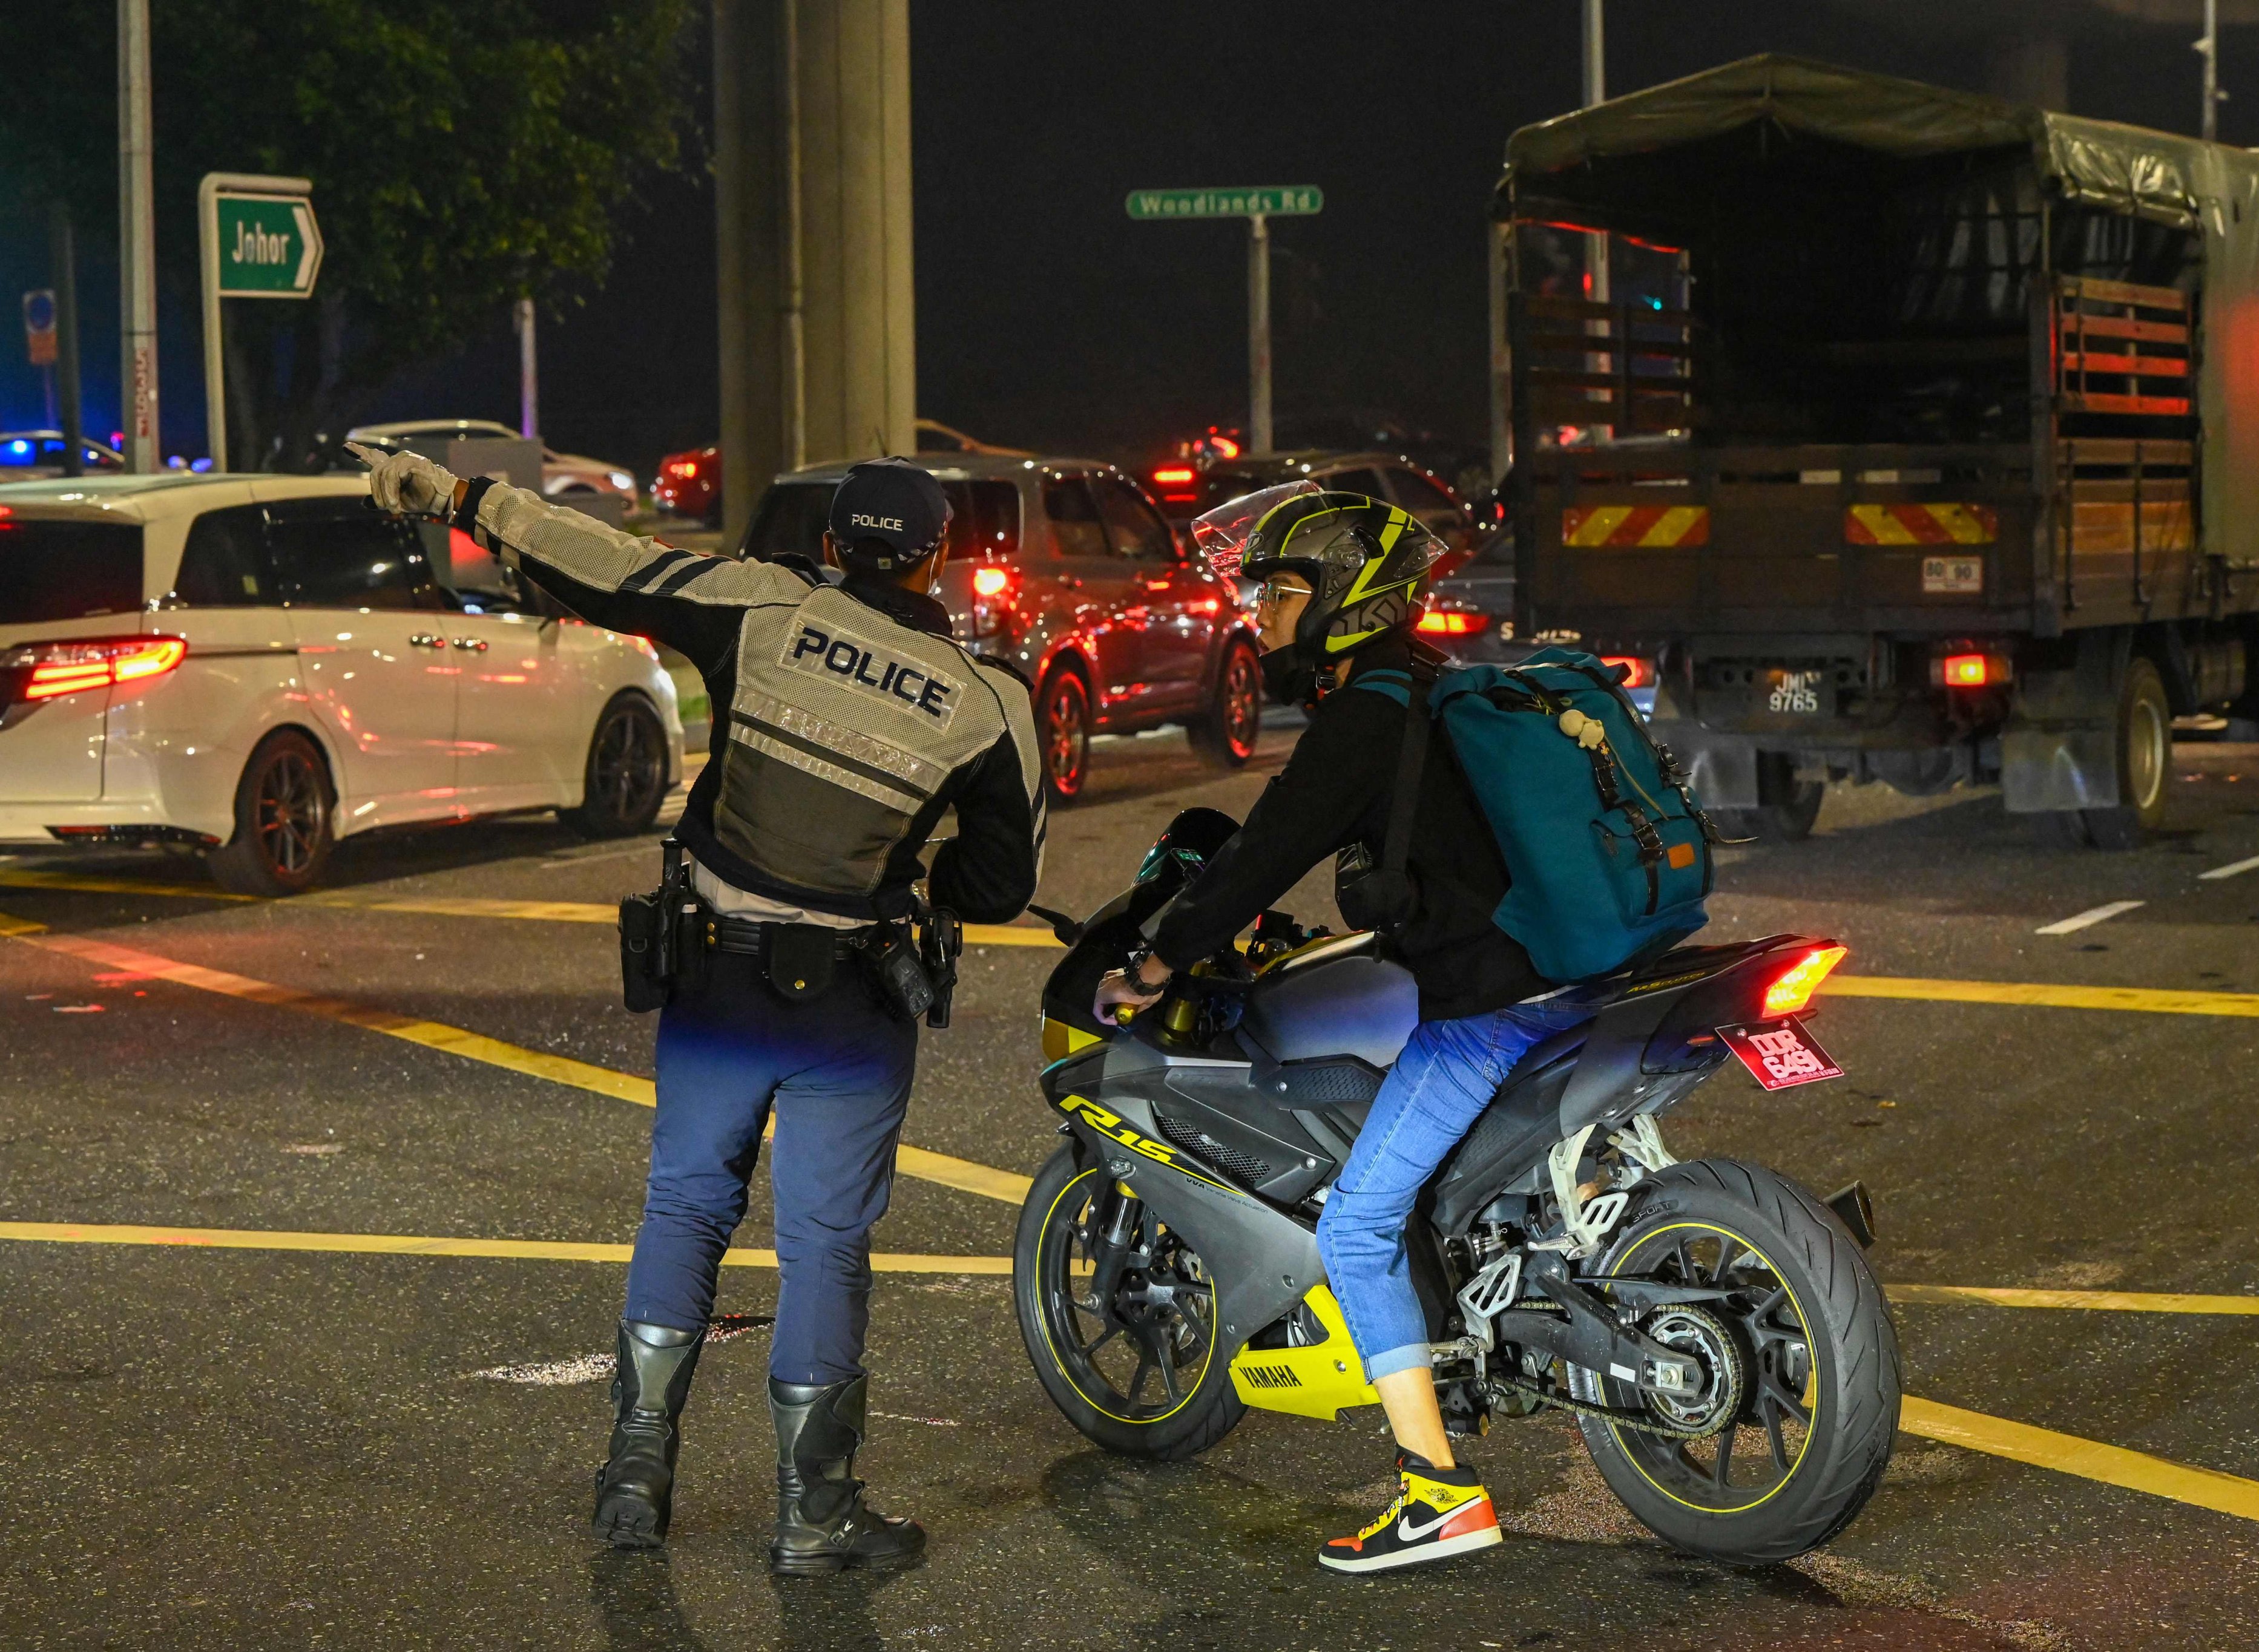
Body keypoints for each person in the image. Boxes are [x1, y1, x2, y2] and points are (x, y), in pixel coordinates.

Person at [354, 445, 1044, 1575]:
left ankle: (633, 1478)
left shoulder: (762, 607)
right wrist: (919, 858)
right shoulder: (985, 700)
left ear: (829, 545)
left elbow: (609, 566)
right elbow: (999, 887)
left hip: (718, 977)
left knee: (683, 1209)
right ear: (938, 564)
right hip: (852, 1008)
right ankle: (815, 1519)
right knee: (826, 1247)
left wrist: (467, 497)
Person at [1091, 483, 1591, 1575]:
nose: (1260, 612)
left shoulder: (1367, 711)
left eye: (1279, 589)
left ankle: (1439, 1491)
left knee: (1358, 1224)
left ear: (1347, 596)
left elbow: (1263, 851)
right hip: (1574, 970)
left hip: (1490, 1003)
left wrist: (1158, 959)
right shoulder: (1433, 686)